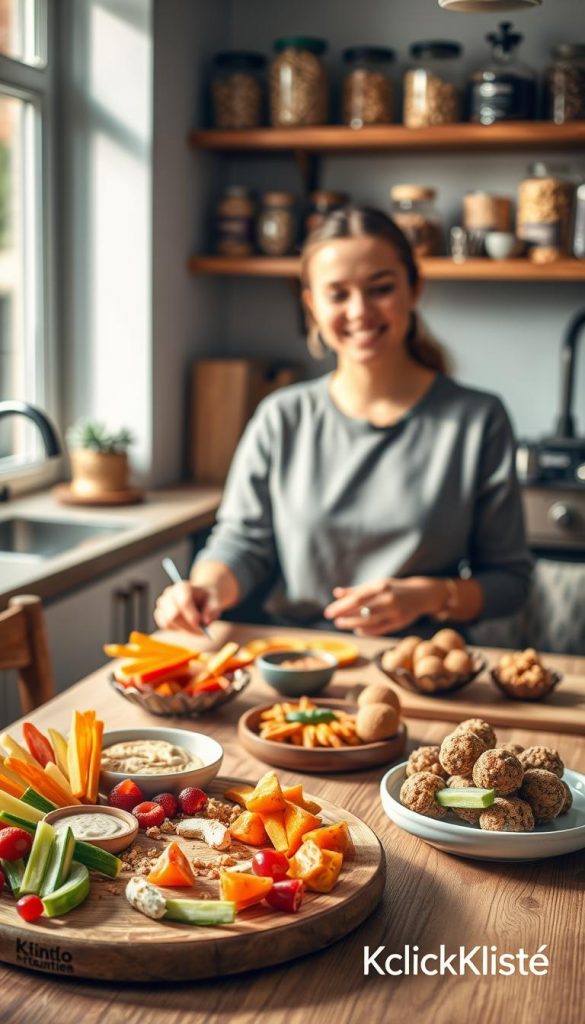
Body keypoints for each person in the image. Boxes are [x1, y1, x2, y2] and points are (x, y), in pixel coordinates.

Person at [154, 206, 532, 639]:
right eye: (338, 294)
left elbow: (510, 583)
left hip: (422, 666)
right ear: (312, 305)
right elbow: (242, 543)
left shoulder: (478, 420)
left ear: (415, 288)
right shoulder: (282, 416)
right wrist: (204, 589)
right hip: (295, 664)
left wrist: (431, 596)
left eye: (381, 288)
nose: (360, 311)